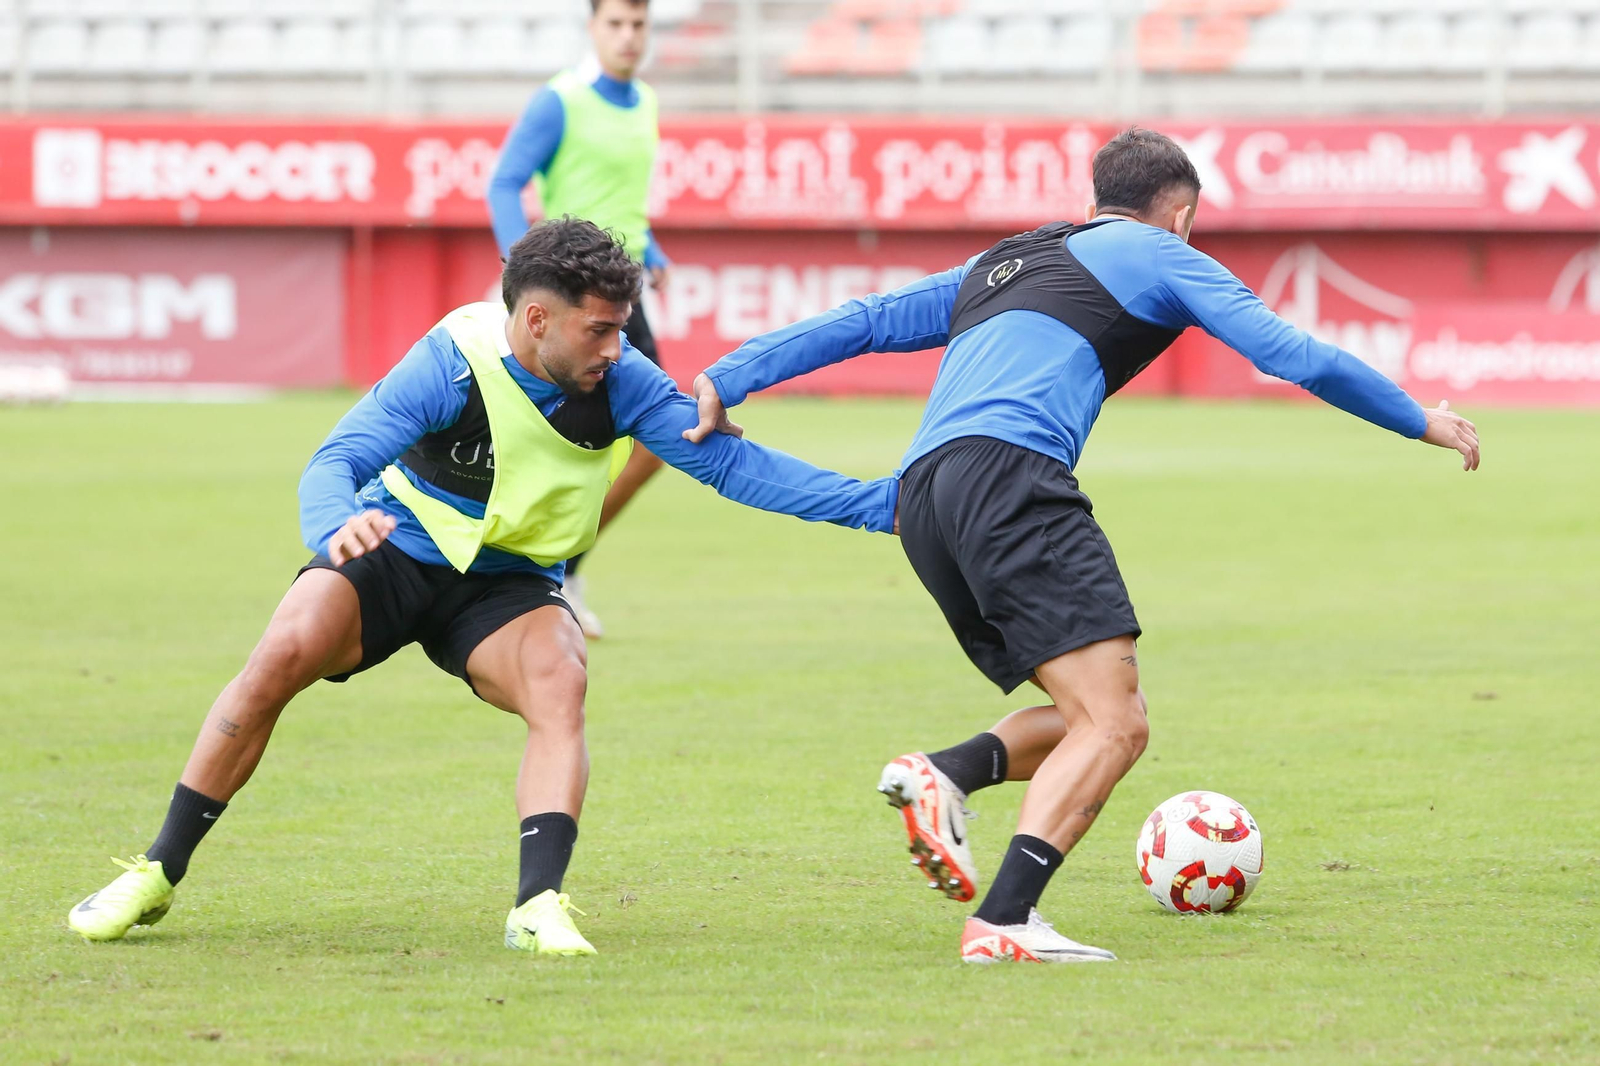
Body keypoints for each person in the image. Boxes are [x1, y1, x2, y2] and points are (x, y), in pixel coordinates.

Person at [683, 128, 1481, 964]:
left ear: (1092, 202)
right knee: (1114, 725)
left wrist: (730, 375)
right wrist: (1416, 418)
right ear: (1179, 217)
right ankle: (1004, 919)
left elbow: (870, 321)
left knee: (1091, 714)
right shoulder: (1161, 253)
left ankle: (948, 773)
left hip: (922, 502)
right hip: (1011, 481)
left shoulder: (1003, 260)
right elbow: (1293, 354)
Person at [67, 218, 897, 956]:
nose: (618, 348)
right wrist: (333, 527)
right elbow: (337, 460)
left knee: (560, 681)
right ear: (536, 320)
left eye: (621, 329)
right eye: (600, 330)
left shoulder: (626, 384)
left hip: (508, 585)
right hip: (395, 549)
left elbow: (734, 468)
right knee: (285, 646)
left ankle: (536, 907)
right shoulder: (450, 362)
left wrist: (880, 507)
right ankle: (157, 871)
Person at [487, 0, 668, 639]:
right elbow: (503, 183)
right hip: (573, 305)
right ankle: (532, 574)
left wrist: (653, 251)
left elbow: (622, 200)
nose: (628, 36)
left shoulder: (646, 102)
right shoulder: (560, 101)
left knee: (651, 443)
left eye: (638, 24)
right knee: (559, 440)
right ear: (593, 27)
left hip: (623, 297)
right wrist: (524, 276)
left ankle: (562, 567)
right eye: (615, 23)